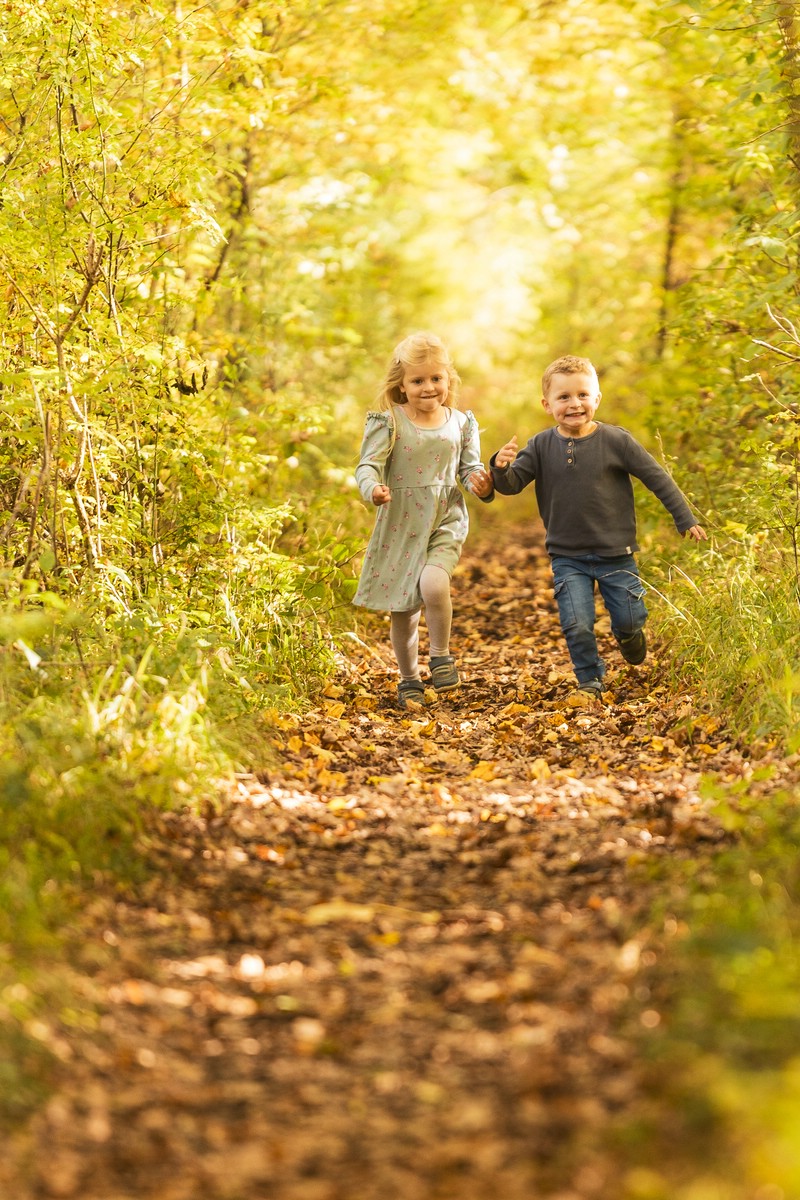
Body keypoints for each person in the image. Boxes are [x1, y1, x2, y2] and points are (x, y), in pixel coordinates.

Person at [489, 353, 707, 699]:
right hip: (567, 556)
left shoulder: (617, 441)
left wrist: (685, 517)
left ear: (597, 399)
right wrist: (500, 468)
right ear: (547, 404)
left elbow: (657, 478)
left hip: (616, 553)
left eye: (582, 395)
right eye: (564, 397)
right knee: (576, 624)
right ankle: (589, 680)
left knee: (630, 619)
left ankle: (629, 636)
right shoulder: (541, 445)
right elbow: (511, 484)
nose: (574, 404)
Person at [354, 331, 494, 708]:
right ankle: (409, 678)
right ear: (402, 385)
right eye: (418, 381)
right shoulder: (390, 423)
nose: (429, 387)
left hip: (445, 518)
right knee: (404, 610)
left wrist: (480, 482)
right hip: (401, 522)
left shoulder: (461, 423)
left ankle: (441, 656)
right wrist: (372, 489)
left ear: (448, 379)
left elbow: (469, 469)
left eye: (436, 378)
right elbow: (368, 466)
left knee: (434, 584)